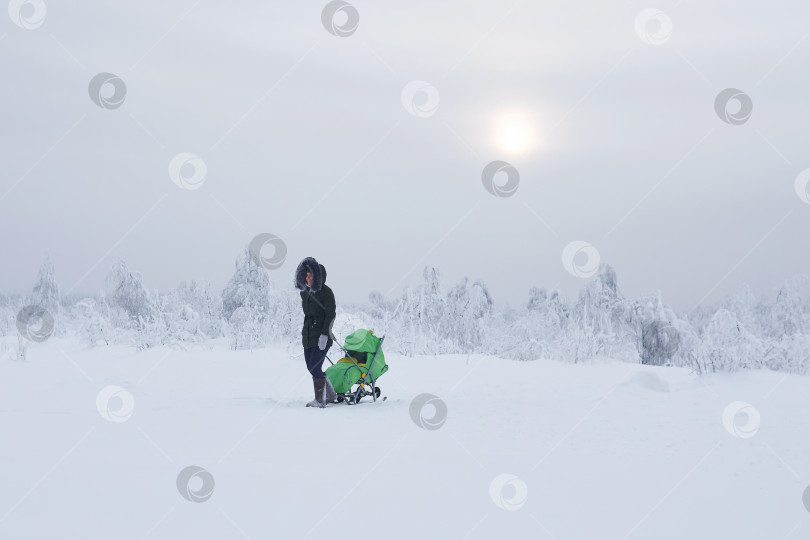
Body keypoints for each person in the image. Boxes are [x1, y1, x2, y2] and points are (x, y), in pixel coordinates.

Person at [294, 257, 338, 408]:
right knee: (310, 366)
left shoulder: (326, 292)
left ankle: (320, 400)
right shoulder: (304, 293)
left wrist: (325, 334)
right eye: (306, 275)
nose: (308, 278)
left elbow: (330, 314)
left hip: (322, 336)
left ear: (318, 276)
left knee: (314, 367)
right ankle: (331, 395)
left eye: (311, 275)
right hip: (308, 335)